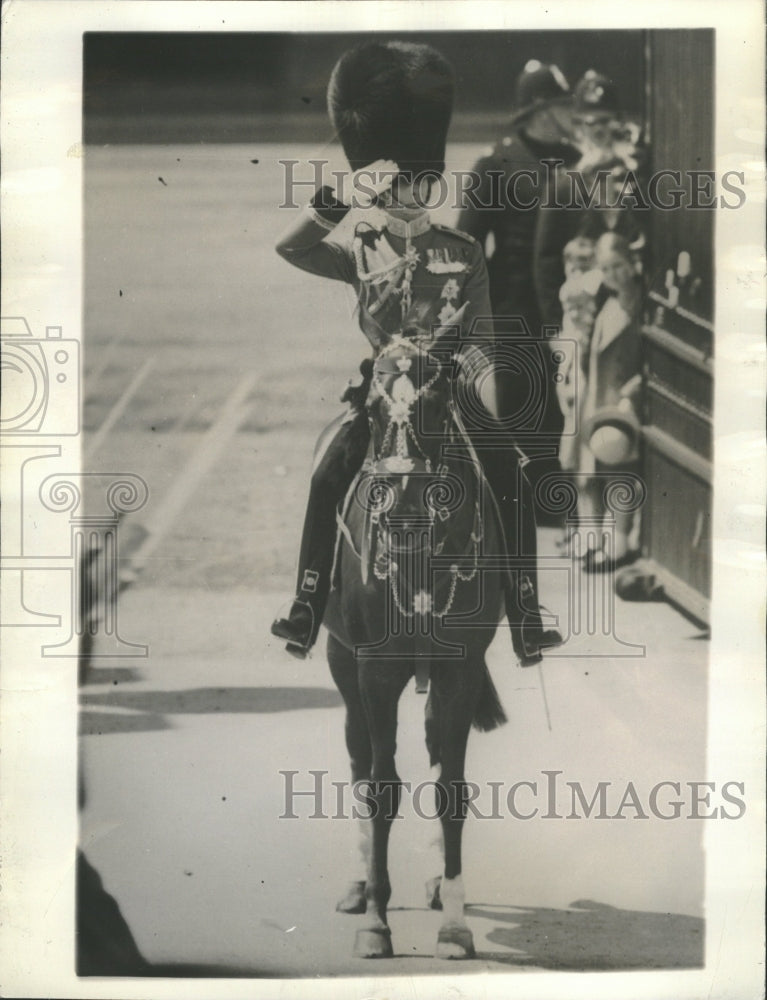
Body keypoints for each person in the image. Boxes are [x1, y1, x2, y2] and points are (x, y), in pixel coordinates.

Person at [270, 41, 562, 665]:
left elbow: (480, 346)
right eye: (398, 182)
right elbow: (290, 250)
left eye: (419, 181)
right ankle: (307, 601)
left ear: (430, 181)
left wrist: (489, 394)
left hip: (451, 395)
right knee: (327, 477)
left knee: (509, 475)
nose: (410, 192)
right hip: (381, 400)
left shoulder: (462, 251)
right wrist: (341, 197)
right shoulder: (362, 248)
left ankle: (526, 612)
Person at [456, 61, 581, 506]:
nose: (574, 113)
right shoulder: (496, 164)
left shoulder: (576, 161)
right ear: (540, 110)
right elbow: (466, 246)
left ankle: (552, 503)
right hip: (510, 306)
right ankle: (511, 505)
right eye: (565, 105)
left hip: (565, 303)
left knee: (565, 403)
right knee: (520, 405)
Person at [534, 70, 646, 333]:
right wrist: (554, 329)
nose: (598, 130)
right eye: (590, 122)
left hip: (630, 314)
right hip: (580, 317)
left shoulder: (636, 180)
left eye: (605, 121)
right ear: (579, 127)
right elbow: (546, 263)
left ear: (619, 123)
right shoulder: (562, 186)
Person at [576, 231, 643, 572]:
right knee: (592, 472)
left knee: (620, 471)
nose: (613, 274)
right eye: (606, 268)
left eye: (618, 266)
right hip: (596, 397)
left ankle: (617, 544)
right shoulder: (607, 300)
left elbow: (649, 362)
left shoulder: (641, 304)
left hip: (621, 400)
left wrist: (632, 394)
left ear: (632, 263)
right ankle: (594, 540)